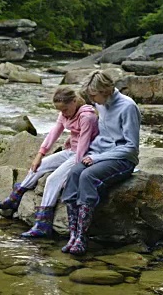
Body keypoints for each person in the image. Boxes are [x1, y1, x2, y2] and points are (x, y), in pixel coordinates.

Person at [0, 87, 99, 238]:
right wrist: (40, 154)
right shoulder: (64, 113)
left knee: (53, 179)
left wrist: (72, 172)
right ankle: (14, 199)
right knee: (40, 165)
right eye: (60, 110)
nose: (63, 114)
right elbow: (54, 132)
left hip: (85, 154)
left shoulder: (87, 117)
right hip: (71, 151)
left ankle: (43, 224)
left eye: (65, 110)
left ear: (74, 102)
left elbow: (83, 145)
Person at [60, 70, 140, 255]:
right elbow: (101, 135)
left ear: (106, 90)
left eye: (93, 95)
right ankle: (72, 235)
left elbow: (131, 147)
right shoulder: (101, 105)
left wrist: (96, 158)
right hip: (99, 154)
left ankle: (82, 237)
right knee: (74, 173)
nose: (91, 99)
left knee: (87, 176)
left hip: (122, 159)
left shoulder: (128, 107)